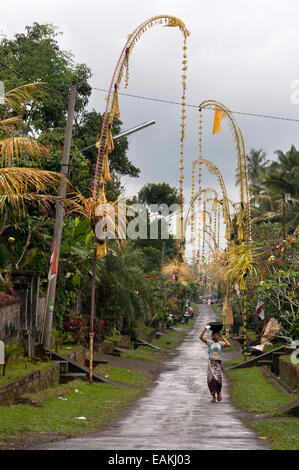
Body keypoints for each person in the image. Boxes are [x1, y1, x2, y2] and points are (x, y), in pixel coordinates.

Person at [199, 322, 231, 403]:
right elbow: (200, 337)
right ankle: (213, 396)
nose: (215, 336)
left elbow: (228, 344)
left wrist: (222, 337)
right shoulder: (210, 342)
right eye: (214, 335)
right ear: (212, 336)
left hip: (218, 363)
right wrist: (205, 328)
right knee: (211, 380)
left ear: (218, 336)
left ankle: (219, 393)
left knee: (218, 380)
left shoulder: (221, 343)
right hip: (211, 363)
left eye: (217, 335)